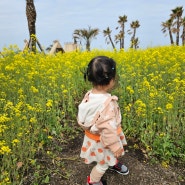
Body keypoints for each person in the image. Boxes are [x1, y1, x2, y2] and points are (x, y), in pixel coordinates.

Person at [77, 56, 129, 185]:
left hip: (92, 138)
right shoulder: (107, 104)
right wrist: (115, 146)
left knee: (108, 155)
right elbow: (108, 129)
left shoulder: (89, 95)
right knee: (103, 163)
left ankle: (113, 161)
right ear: (111, 80)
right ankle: (93, 181)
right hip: (104, 140)